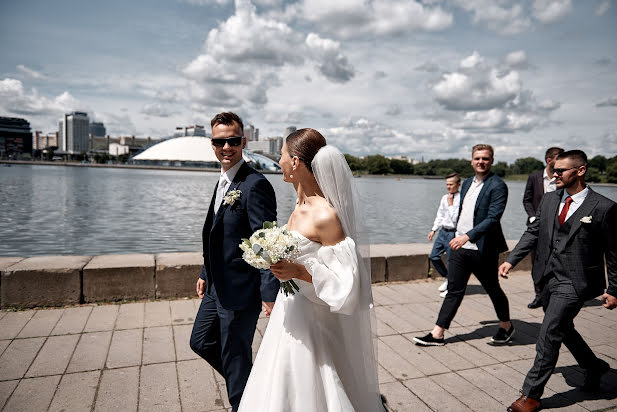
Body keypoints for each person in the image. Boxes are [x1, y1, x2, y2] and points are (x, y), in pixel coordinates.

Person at [238, 129, 384, 411]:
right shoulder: (298, 204)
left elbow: (346, 285)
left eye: (281, 155)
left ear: (295, 162)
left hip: (312, 318)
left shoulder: (325, 215)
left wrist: (299, 272)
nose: (278, 161)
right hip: (289, 307)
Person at [500, 150, 616, 412]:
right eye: (553, 169)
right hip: (547, 277)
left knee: (550, 332)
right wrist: (511, 259)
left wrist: (614, 288)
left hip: (576, 281)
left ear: (580, 171)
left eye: (561, 170)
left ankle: (531, 395)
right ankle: (594, 367)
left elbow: (614, 252)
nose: (555, 174)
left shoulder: (604, 207)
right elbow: (533, 232)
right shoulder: (550, 199)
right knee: (563, 328)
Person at [189, 112, 279, 412]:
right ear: (212, 143)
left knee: (235, 355)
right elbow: (217, 235)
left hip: (241, 291)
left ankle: (246, 403)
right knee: (201, 342)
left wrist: (269, 294)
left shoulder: (255, 184)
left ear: (243, 141)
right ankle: (256, 388)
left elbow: (265, 241)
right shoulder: (224, 179)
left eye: (232, 141)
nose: (225, 147)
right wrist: (205, 271)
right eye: (219, 142)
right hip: (216, 285)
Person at [414, 144, 514, 346]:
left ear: (491, 161)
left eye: (485, 158)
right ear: (471, 161)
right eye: (477, 158)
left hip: (482, 248)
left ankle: (506, 326)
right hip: (460, 247)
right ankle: (437, 334)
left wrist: (467, 236)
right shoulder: (467, 183)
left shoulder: (498, 185)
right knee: (454, 290)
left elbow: (493, 218)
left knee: (493, 289)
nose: (481, 162)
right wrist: (457, 235)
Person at [523, 147, 564, 308]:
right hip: (536, 226)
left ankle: (555, 295)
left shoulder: (563, 177)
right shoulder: (534, 177)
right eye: (559, 159)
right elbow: (527, 199)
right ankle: (538, 295)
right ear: (549, 161)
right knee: (537, 261)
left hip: (559, 227)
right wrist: (534, 217)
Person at [428, 173, 461, 298]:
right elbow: (440, 215)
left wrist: (451, 204)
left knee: (450, 261)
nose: (448, 187)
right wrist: (433, 229)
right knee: (434, 256)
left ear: (458, 184)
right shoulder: (444, 198)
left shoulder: (460, 199)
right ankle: (448, 278)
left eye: (451, 184)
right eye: (447, 184)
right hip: (442, 232)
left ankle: (451, 288)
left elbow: (455, 219)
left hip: (453, 233)